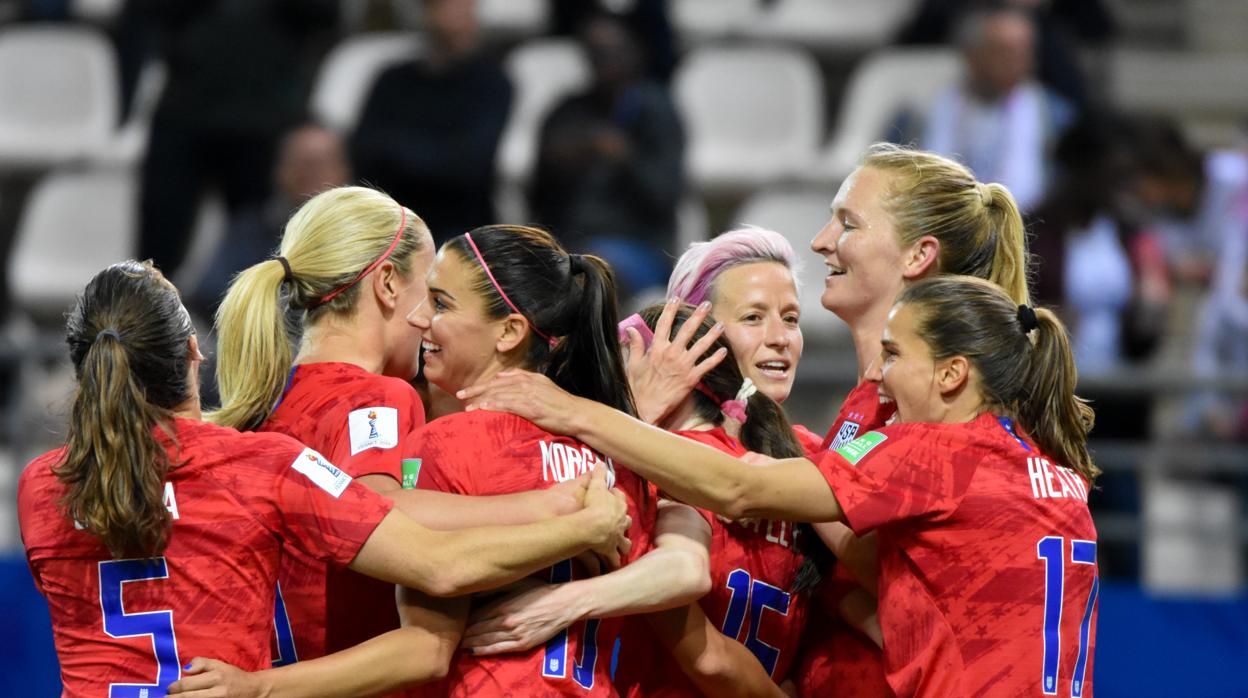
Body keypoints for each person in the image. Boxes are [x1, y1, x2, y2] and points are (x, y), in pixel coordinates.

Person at [460, 274, 1101, 697]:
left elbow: (733, 491)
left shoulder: (935, 452)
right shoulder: (1055, 476)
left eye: (897, 355)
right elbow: (917, 597)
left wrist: (574, 413)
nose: (879, 375)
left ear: (954, 373)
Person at [16, 260, 630, 697]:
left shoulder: (39, 488)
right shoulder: (262, 464)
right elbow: (442, 566)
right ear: (193, 356)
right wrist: (581, 522)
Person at [210, 186, 599, 664]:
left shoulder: (259, 403)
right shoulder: (377, 397)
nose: (428, 320)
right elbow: (378, 507)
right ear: (389, 284)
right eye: (431, 294)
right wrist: (552, 506)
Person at [409, 224, 725, 697]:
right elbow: (683, 572)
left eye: (441, 303)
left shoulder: (444, 443)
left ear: (510, 332)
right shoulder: (622, 462)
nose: (420, 319)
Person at [461, 303, 822, 697]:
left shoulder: (676, 471)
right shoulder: (783, 465)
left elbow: (686, 576)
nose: (611, 379)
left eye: (621, 360)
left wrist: (558, 604)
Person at [529, 11, 685, 298]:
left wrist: (625, 157)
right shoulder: (566, 112)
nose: (605, 60)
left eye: (614, 50)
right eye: (596, 51)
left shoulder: (657, 113)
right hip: (567, 240)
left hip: (639, 245)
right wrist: (562, 161)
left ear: (635, 52)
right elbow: (536, 197)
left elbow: (664, 196)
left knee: (591, 271)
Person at [351, 0, 512, 243]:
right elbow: (364, 153)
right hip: (389, 221)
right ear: (426, 12)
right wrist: (435, 155)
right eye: (447, 5)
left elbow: (469, 168)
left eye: (467, 5)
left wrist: (399, 151)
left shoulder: (492, 84)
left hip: (461, 230)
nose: (462, 13)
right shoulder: (391, 81)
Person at [186, 122, 351, 320]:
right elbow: (208, 299)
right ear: (280, 171)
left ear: (344, 170)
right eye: (302, 163)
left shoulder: (365, 236)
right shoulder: (250, 231)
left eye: (321, 163)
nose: (311, 174)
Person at [922, 6, 1073, 211]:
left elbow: (1033, 190)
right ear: (973, 57)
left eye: (1026, 53)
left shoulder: (1055, 114)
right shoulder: (940, 104)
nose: (1024, 65)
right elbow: (930, 178)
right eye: (1007, 54)